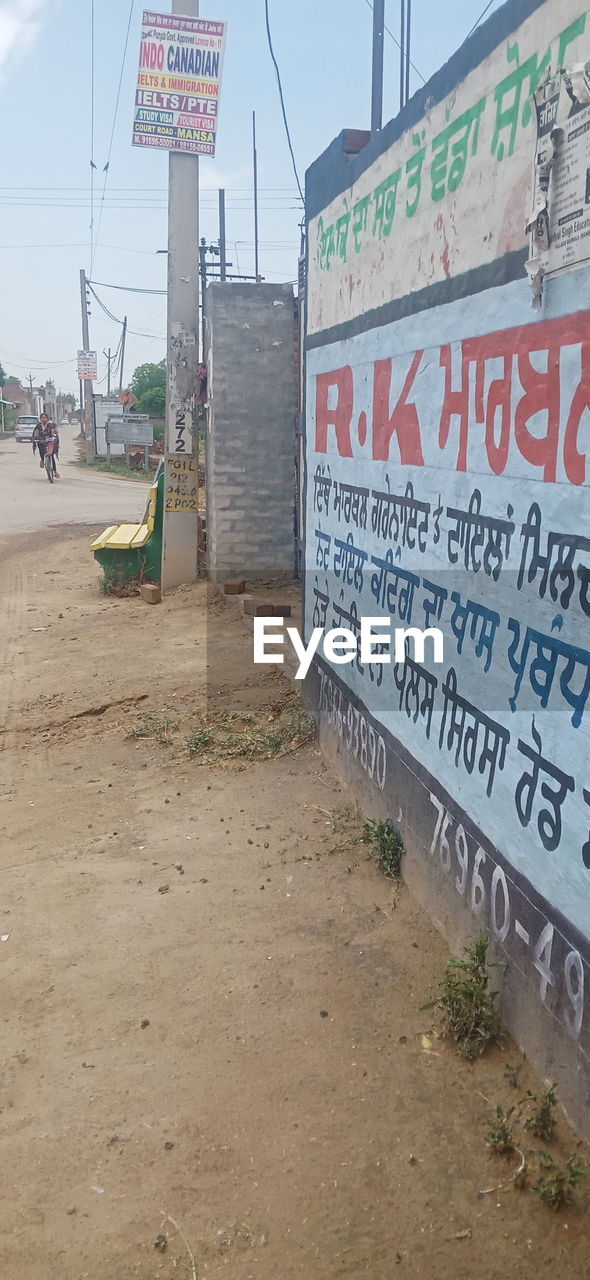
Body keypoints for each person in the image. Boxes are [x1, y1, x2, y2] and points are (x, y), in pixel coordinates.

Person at [34, 413, 60, 478]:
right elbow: (35, 433)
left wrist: (54, 431)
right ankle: (42, 460)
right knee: (41, 449)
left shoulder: (51, 425)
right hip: (41, 441)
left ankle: (55, 471)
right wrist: (36, 438)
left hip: (50, 440)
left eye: (45, 417)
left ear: (47, 418)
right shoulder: (38, 426)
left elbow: (56, 431)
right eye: (42, 418)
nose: (43, 419)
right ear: (40, 419)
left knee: (50, 454)